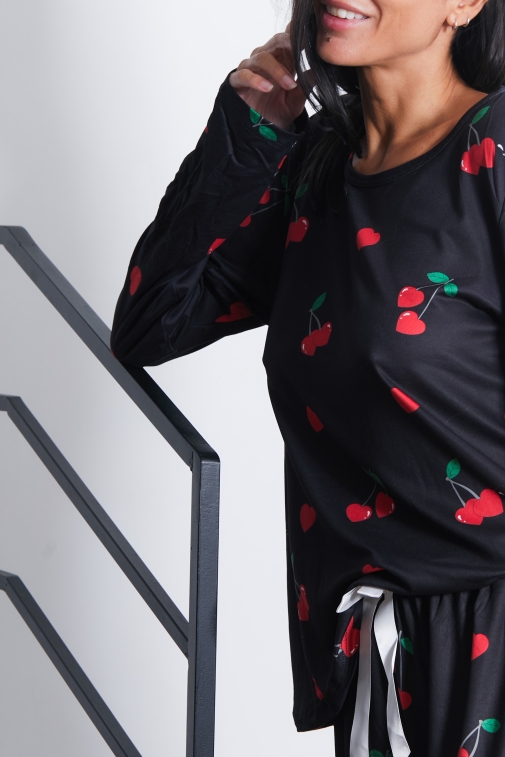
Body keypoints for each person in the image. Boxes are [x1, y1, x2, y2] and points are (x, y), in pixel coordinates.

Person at [110, 0, 505, 753]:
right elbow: (151, 321)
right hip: (379, 651)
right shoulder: (316, 168)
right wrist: (247, 133)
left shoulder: (494, 150)